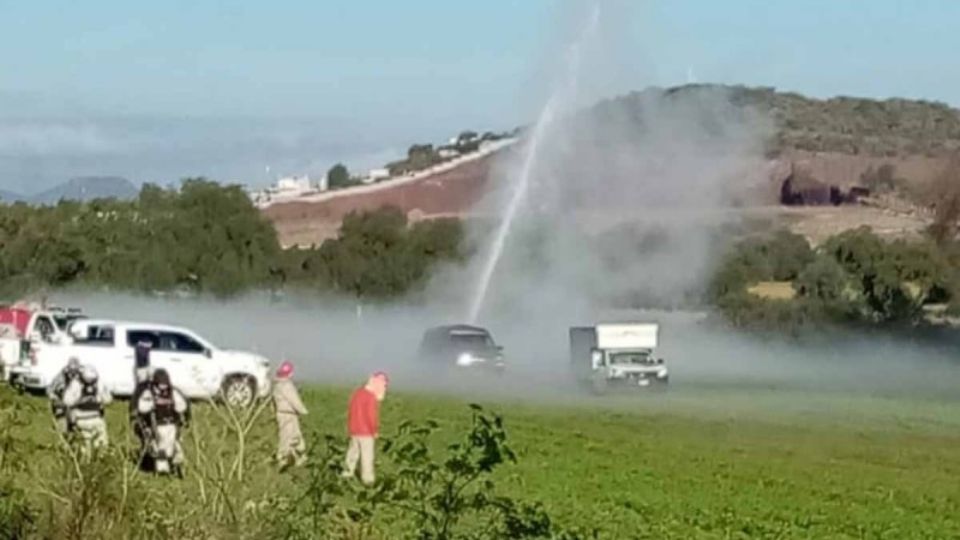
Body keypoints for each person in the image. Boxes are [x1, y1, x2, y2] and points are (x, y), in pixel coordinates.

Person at [136, 368, 190, 475]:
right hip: (156, 425)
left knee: (172, 444)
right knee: (160, 446)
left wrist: (177, 408)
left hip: (171, 424)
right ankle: (161, 468)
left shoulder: (173, 392)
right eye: (161, 384)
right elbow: (142, 407)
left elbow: (182, 406)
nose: (163, 387)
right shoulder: (149, 393)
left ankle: (174, 463)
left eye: (165, 384)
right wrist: (151, 405)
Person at [342, 372, 388, 485]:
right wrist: (374, 431)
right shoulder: (371, 398)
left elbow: (351, 411)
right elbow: (371, 416)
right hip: (366, 432)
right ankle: (368, 479)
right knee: (367, 456)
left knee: (353, 453)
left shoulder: (357, 393)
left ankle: (347, 473)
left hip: (354, 429)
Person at [62, 365, 112, 450]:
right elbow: (108, 400)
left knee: (96, 445)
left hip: (91, 419)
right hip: (85, 419)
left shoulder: (98, 384)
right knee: (91, 445)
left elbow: (66, 401)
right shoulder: (77, 384)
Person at [272, 361, 308, 469]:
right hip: (288, 414)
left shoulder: (277, 385)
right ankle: (283, 458)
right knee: (288, 437)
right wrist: (303, 411)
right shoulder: (287, 386)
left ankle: (297, 458)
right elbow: (294, 400)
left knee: (292, 436)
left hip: (281, 413)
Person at [47, 357, 82, 435]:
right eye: (71, 370)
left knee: (75, 426)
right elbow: (50, 390)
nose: (73, 373)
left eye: (75, 370)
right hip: (60, 404)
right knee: (62, 427)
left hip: (74, 405)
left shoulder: (81, 376)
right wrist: (54, 397)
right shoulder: (61, 377)